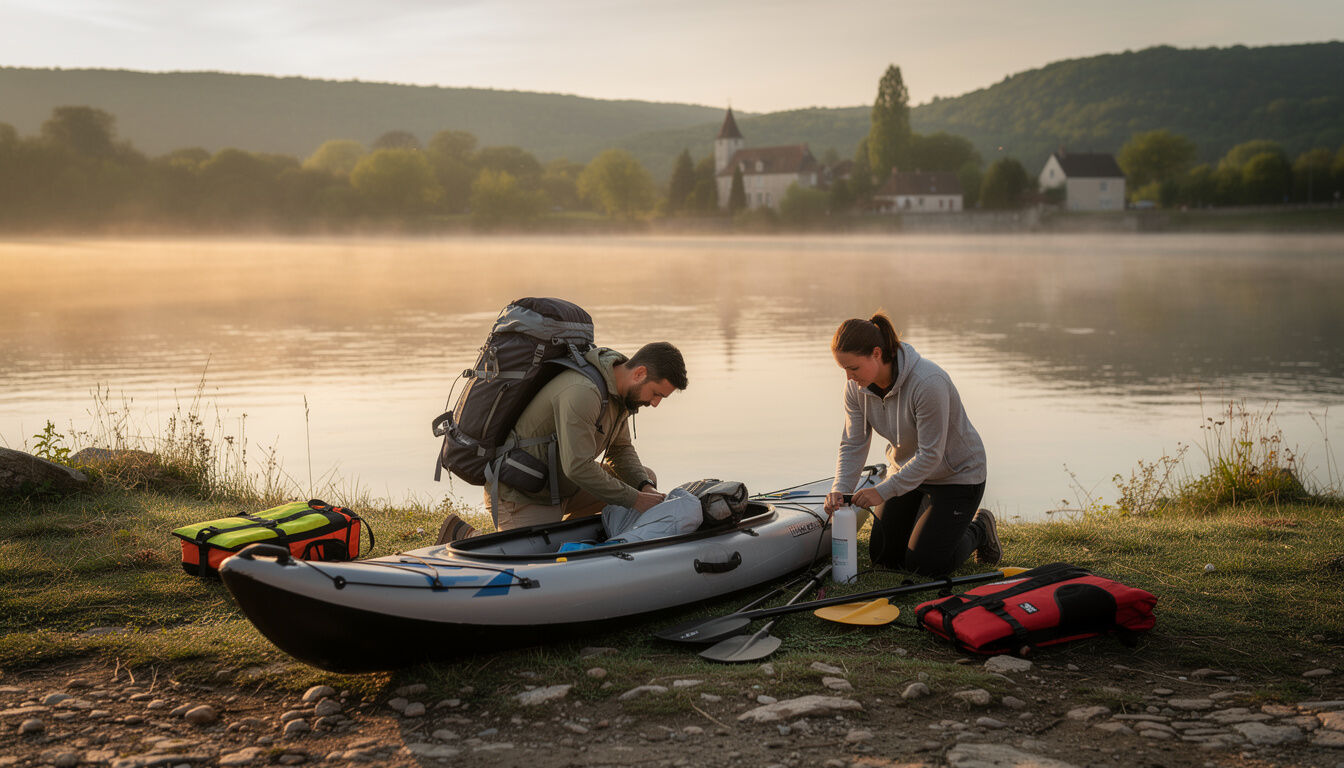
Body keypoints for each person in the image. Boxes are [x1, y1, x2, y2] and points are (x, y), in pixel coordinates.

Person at [437, 341, 687, 541]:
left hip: (563, 484)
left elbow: (620, 450)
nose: (655, 403)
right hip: (523, 493)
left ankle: (566, 532)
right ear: (640, 373)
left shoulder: (621, 394)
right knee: (530, 560)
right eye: (656, 394)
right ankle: (463, 533)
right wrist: (635, 499)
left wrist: (644, 487)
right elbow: (577, 467)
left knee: (645, 477)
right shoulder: (584, 392)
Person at [822, 312, 999, 576]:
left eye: (854, 368)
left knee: (925, 565)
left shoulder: (928, 382)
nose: (848, 377)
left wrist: (882, 491)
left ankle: (980, 528)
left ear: (877, 353)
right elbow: (853, 443)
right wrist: (841, 490)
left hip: (956, 476)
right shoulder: (855, 389)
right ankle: (924, 522)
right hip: (906, 472)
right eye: (843, 369)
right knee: (884, 559)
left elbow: (930, 455)